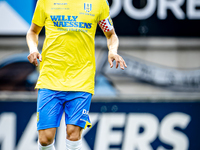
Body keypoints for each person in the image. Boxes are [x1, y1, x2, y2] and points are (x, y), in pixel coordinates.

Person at [26, 0, 127, 149]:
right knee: (45, 138)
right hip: (50, 77)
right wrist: (33, 49)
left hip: (82, 78)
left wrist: (113, 51)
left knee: (73, 134)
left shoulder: (98, 3)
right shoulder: (46, 1)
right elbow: (33, 32)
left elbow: (111, 35)